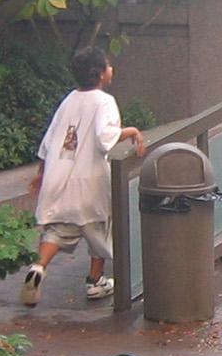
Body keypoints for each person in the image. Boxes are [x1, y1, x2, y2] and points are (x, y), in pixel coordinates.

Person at [22, 47, 146, 306]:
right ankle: (95, 281)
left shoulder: (69, 100)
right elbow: (105, 138)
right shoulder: (104, 101)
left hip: (61, 178)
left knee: (59, 231)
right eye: (109, 66)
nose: (112, 70)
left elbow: (49, 141)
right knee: (98, 232)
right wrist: (131, 131)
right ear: (101, 74)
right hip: (90, 182)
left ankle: (39, 268)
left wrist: (41, 174)